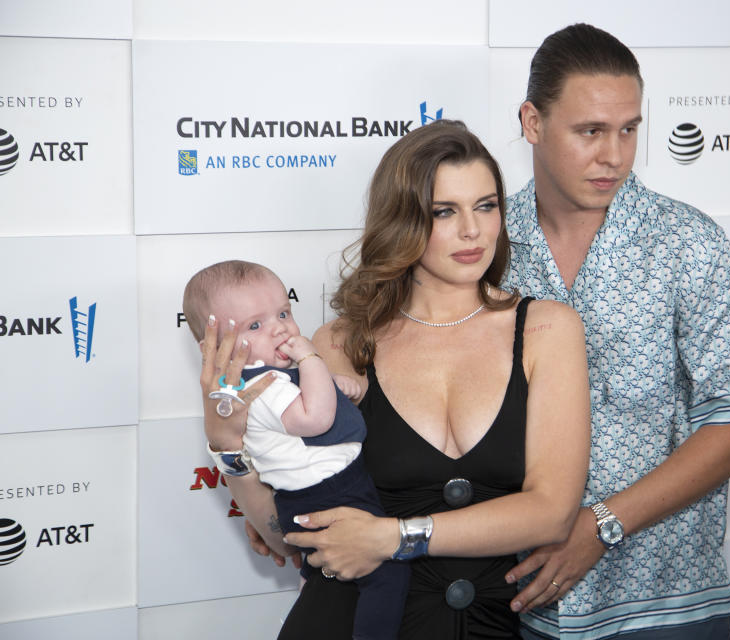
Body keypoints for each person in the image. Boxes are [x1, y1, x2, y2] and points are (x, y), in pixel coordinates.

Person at [199, 120, 592, 639]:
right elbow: (287, 531)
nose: (473, 231)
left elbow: (551, 515)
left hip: (487, 625)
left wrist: (395, 536)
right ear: (400, 221)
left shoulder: (546, 329)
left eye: (486, 205)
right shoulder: (338, 342)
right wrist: (228, 450)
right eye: (443, 212)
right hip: (348, 620)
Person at [500, 23, 730, 640]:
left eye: (629, 129)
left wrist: (602, 524)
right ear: (531, 122)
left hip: (666, 606)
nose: (614, 155)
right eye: (590, 132)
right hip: (510, 602)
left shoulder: (688, 242)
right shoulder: (485, 246)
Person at [183, 260, 409, 640]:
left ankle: (311, 584)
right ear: (215, 347)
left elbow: (308, 398)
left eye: (284, 312)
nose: (280, 328)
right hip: (329, 495)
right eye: (255, 325)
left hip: (311, 499)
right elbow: (316, 418)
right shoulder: (263, 385)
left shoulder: (267, 380)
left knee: (323, 571)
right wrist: (311, 359)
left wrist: (332, 382)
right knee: (388, 574)